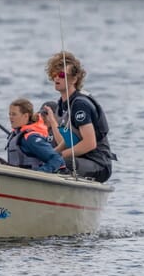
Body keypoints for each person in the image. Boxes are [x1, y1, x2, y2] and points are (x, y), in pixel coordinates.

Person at [42, 51, 116, 183]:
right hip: (80, 159)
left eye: (62, 75)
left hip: (98, 164)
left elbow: (89, 143)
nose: (56, 78)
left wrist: (61, 155)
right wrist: (52, 153)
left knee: (62, 162)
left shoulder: (80, 105)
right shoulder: (62, 105)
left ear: (74, 79)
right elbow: (70, 140)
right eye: (54, 74)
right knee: (45, 159)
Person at [5, 98, 67, 174]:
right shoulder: (17, 135)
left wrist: (39, 173)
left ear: (25, 116)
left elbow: (56, 159)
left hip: (31, 181)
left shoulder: (31, 138)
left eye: (14, 114)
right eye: (10, 114)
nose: (10, 117)